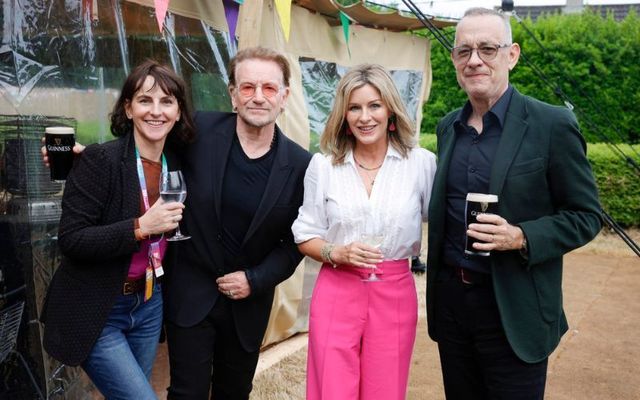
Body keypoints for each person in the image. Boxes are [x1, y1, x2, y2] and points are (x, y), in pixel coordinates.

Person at [426, 7, 602, 399]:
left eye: (488, 48)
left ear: (512, 54)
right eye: (464, 51)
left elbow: (586, 216)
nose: (475, 60)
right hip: (453, 307)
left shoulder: (551, 124)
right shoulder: (448, 127)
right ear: (454, 59)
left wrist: (521, 236)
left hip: (515, 309)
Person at [40, 60, 196, 399]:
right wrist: (140, 227)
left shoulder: (179, 160)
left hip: (150, 303)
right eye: (144, 100)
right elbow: (71, 240)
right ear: (128, 108)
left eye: (167, 101)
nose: (156, 111)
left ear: (178, 110)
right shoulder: (101, 161)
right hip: (101, 307)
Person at [162, 47, 311, 399]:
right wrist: (88, 158)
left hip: (248, 305)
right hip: (191, 292)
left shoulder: (302, 165)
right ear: (232, 93)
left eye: (269, 89)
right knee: (187, 393)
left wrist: (255, 279)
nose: (258, 97)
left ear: (284, 96)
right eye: (247, 87)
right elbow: (146, 147)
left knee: (234, 393)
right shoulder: (197, 131)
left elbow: (295, 242)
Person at [292, 64, 437, 400]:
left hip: (395, 293)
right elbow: (305, 234)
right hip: (336, 289)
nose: (364, 117)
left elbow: (442, 222)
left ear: (390, 111)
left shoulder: (422, 164)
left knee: (384, 391)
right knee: (332, 388)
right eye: (354, 108)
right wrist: (335, 253)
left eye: (374, 105)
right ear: (343, 115)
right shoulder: (324, 166)